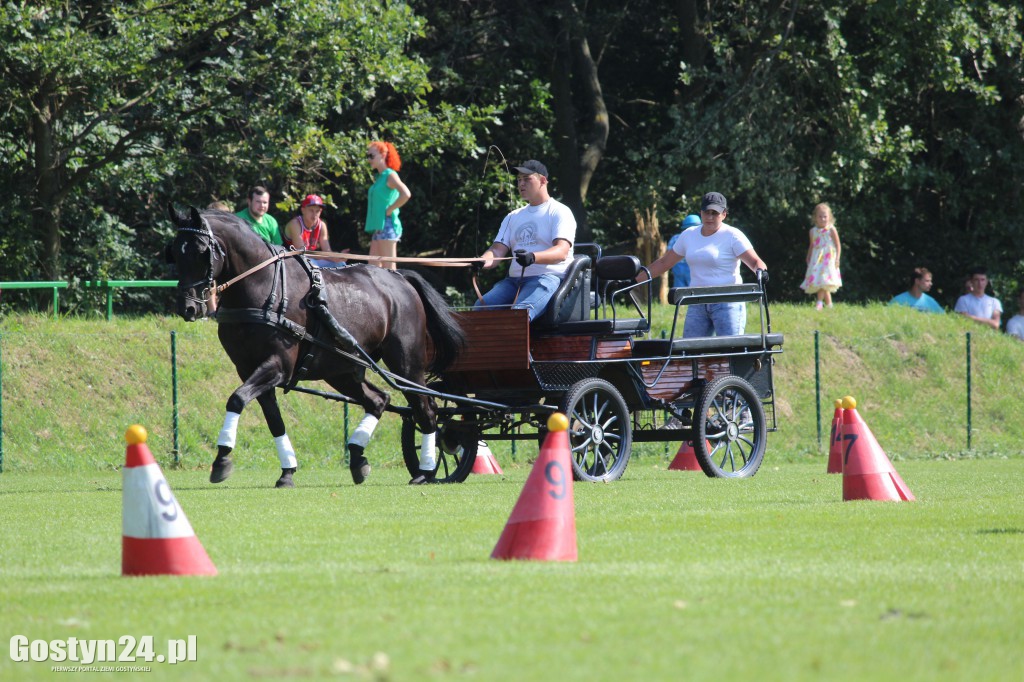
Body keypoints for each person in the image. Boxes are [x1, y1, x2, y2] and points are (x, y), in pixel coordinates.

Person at [638, 192, 767, 337]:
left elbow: (756, 262)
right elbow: (664, 262)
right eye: (706, 212)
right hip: (697, 301)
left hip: (728, 301)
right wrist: (634, 281)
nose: (710, 217)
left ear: (724, 214)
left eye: (715, 213)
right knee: (690, 351)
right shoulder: (688, 235)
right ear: (701, 213)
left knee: (730, 352)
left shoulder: (733, 235)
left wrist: (761, 272)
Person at [474, 160, 577, 321]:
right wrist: (482, 261)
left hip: (546, 278)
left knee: (518, 316)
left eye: (527, 179)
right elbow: (496, 251)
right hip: (513, 282)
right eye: (518, 180)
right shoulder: (513, 216)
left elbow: (561, 251)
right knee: (480, 308)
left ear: (543, 181)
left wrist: (533, 257)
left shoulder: (560, 212)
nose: (521, 184)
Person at [364, 141, 411, 270]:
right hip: (379, 226)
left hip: (387, 225)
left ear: (383, 155)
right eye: (367, 156)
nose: (369, 159)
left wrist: (390, 210)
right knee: (372, 269)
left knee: (389, 269)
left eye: (371, 156)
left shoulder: (390, 175)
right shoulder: (380, 177)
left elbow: (406, 194)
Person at [282, 194, 344, 268]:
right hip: (292, 261)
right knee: (313, 266)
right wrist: (329, 257)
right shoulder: (295, 224)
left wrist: (338, 256)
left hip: (313, 259)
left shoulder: (322, 225)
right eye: (311, 210)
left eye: (317, 211)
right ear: (303, 210)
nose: (314, 214)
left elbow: (327, 251)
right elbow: (301, 252)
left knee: (340, 264)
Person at [799, 202, 842, 310]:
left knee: (823, 280)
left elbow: (837, 245)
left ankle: (819, 302)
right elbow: (812, 245)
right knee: (821, 280)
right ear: (815, 218)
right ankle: (829, 305)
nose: (823, 219)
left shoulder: (831, 229)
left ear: (829, 217)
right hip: (817, 259)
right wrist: (808, 256)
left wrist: (837, 258)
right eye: (820, 216)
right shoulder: (812, 231)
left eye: (825, 216)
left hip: (828, 258)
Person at [666, 214, 701, 287]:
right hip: (692, 266)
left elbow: (668, 254)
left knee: (679, 289)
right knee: (693, 289)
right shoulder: (699, 238)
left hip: (677, 266)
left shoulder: (675, 237)